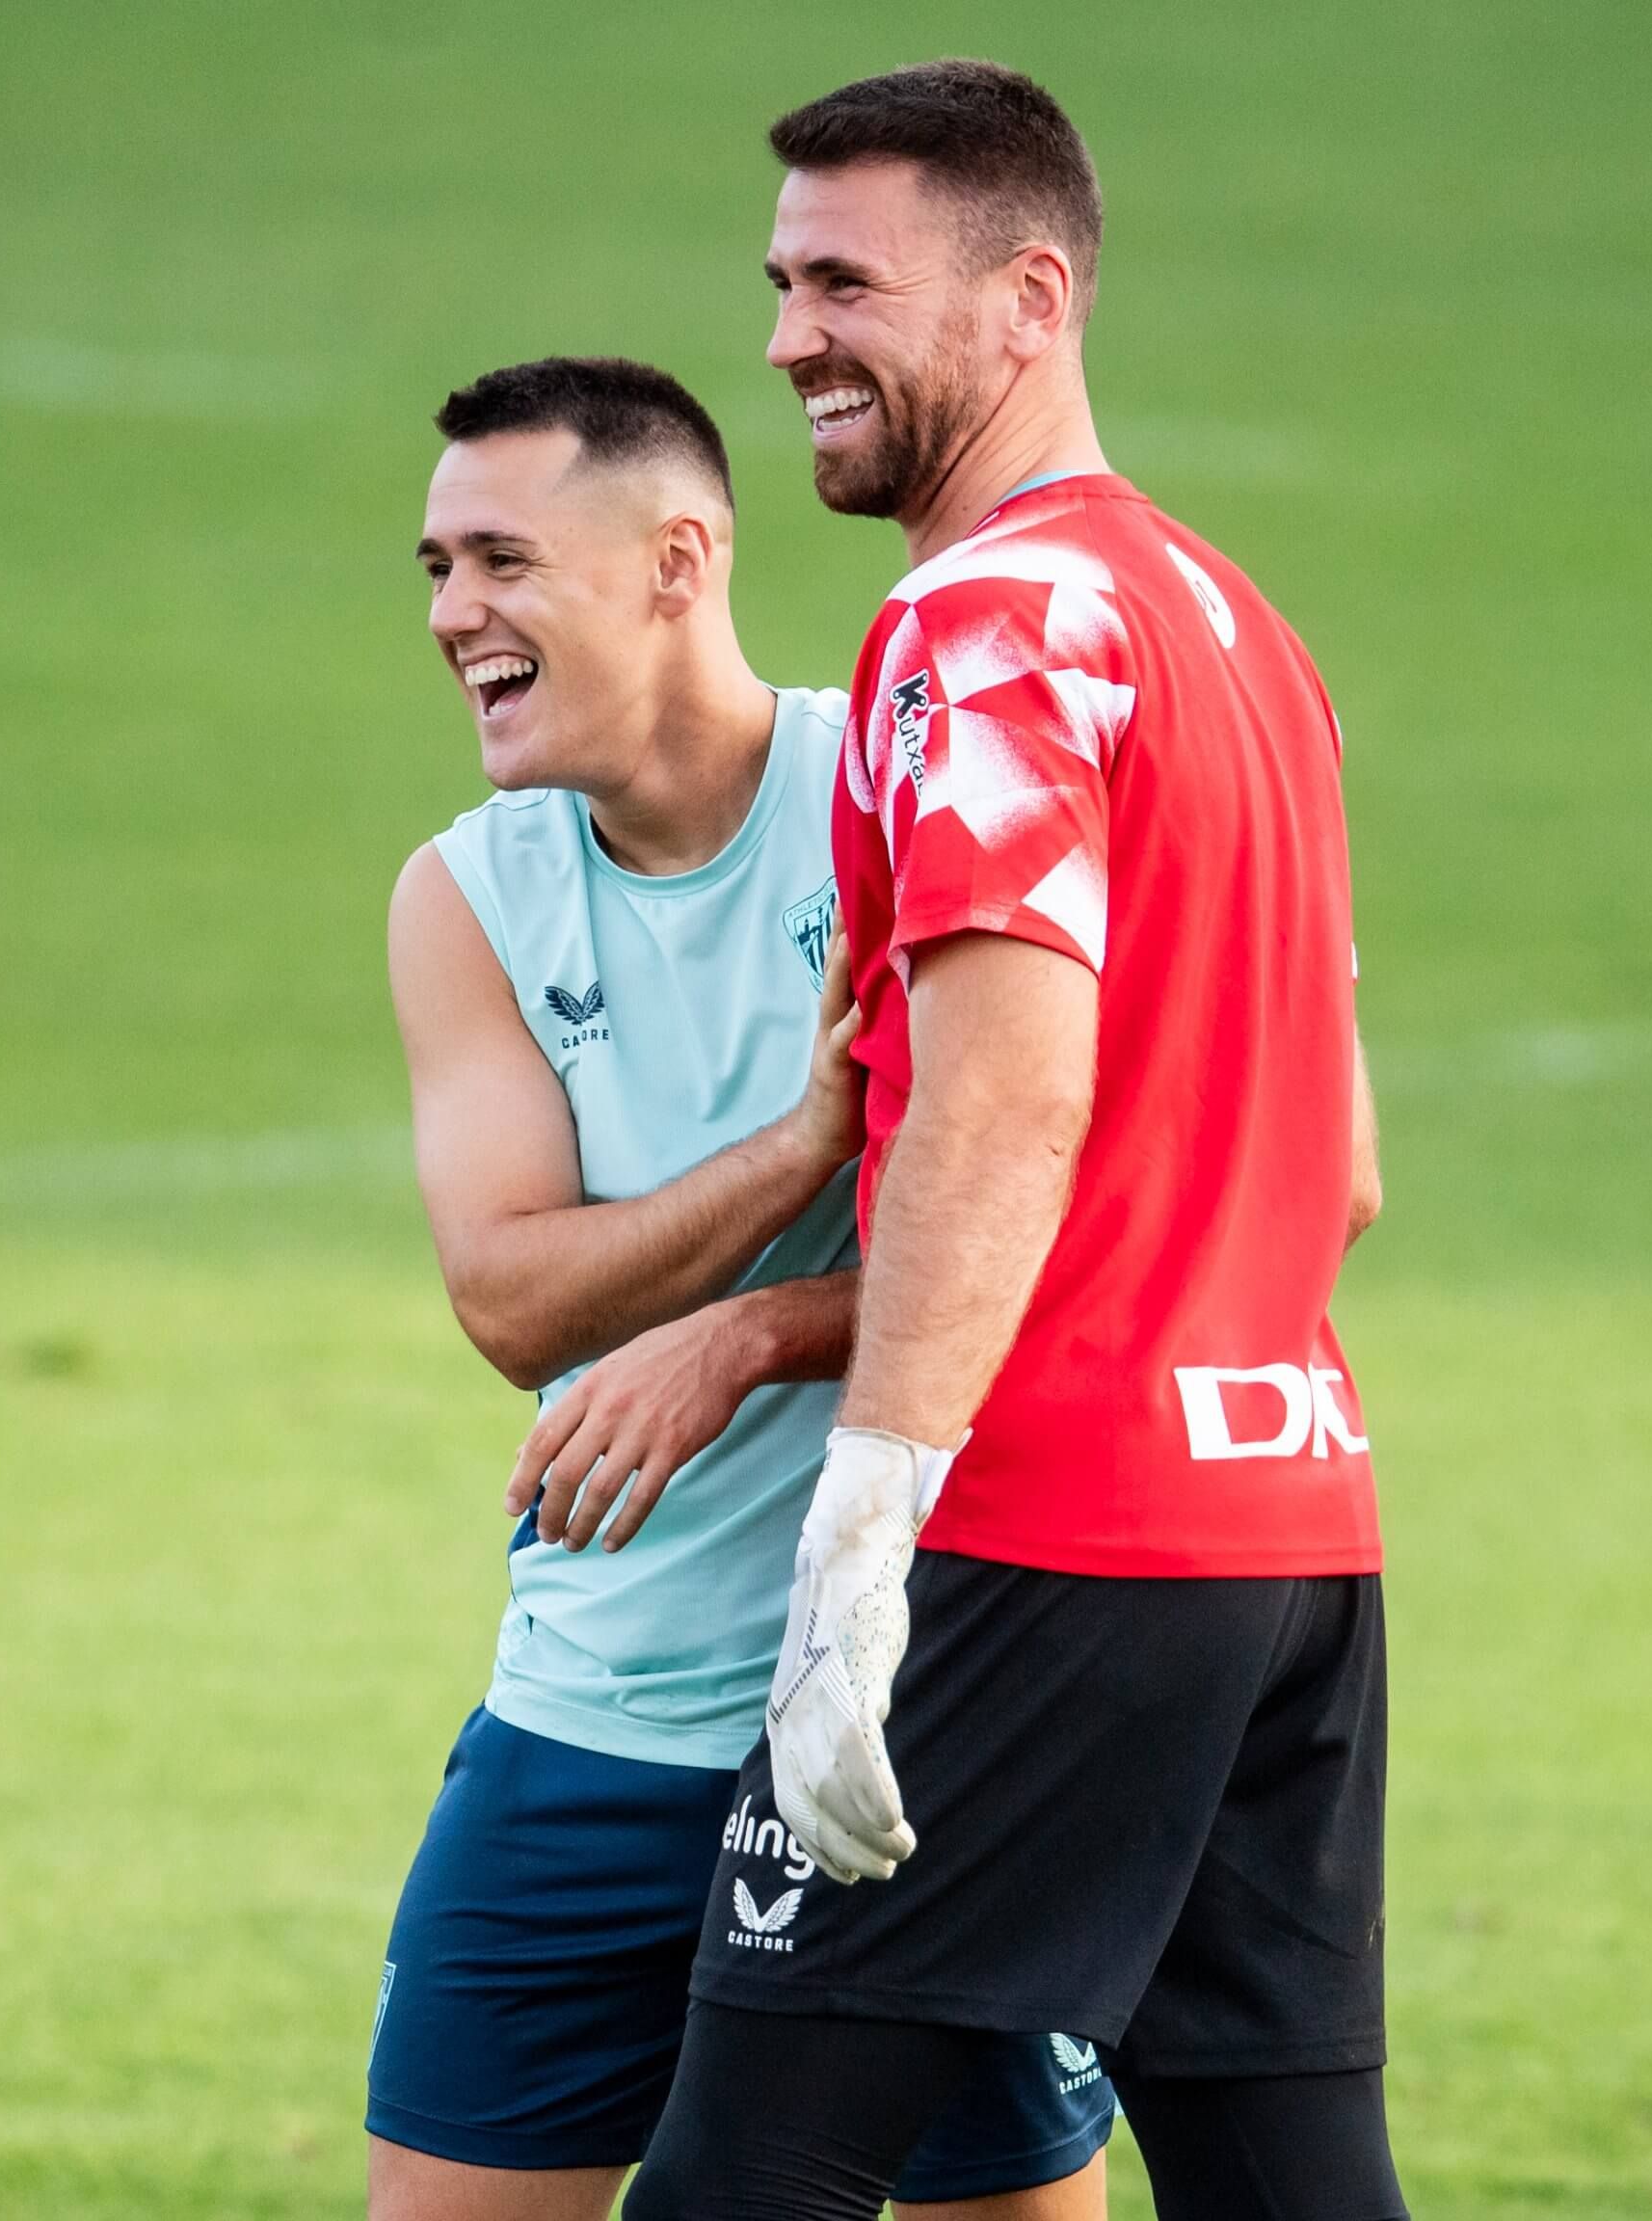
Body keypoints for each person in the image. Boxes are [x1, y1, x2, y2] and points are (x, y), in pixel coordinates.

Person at [621, 63, 1402, 2221]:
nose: (782, 336)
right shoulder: (1242, 635)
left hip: (1044, 1538)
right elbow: (1336, 1170)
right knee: (1285, 2180)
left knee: (738, 2186)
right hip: (1284, 1535)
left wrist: (862, 1546)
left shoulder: (975, 630)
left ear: (1026, 297)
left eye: (843, 281)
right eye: (778, 282)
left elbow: (1003, 1093)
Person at [370, 355, 1116, 2221]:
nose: (455, 613)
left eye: (500, 561)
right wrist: (791, 1160)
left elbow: (1072, 1240)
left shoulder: (893, 792)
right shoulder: (464, 894)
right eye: (435, 569)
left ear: (675, 560)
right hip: (584, 1719)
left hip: (893, 1731)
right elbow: (512, 1304)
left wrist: (760, 1327)